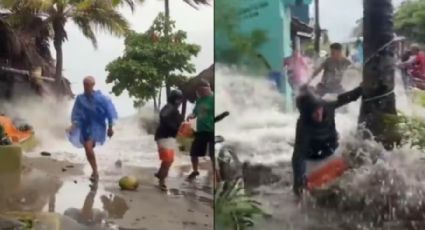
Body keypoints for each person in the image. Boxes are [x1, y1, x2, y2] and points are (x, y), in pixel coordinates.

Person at [292, 84, 363, 198]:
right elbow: (298, 155)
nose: (318, 114)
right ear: (306, 114)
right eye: (313, 112)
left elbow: (350, 97)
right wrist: (298, 182)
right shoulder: (303, 125)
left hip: (332, 151)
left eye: (318, 109)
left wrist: (363, 88)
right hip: (315, 159)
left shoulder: (328, 105)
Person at [67, 76, 118, 182]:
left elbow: (110, 113)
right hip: (85, 126)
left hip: (97, 126)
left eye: (88, 84)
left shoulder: (102, 98)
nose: (86, 87)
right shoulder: (80, 99)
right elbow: (76, 114)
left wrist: (110, 127)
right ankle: (94, 169)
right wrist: (73, 125)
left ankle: (95, 172)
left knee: (88, 146)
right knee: (87, 148)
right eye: (84, 84)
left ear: (93, 85)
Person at [154, 90, 184, 190]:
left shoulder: (173, 108)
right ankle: (162, 181)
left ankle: (160, 174)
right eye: (180, 100)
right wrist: (174, 128)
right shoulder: (169, 107)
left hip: (168, 137)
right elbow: (163, 116)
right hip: (164, 137)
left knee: (168, 160)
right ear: (176, 100)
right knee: (168, 160)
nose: (181, 102)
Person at [187, 79, 214, 181]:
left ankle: (217, 174)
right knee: (194, 153)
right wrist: (191, 115)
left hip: (212, 130)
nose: (200, 93)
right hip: (200, 130)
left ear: (208, 88)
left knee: (212, 154)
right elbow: (195, 113)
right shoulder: (199, 100)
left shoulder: (214, 99)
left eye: (202, 90)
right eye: (198, 91)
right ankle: (195, 171)